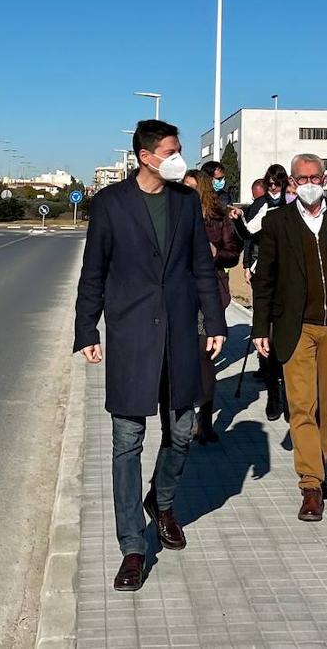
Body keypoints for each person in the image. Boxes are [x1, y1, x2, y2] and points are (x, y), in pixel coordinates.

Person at [74, 119, 228, 592]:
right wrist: (87, 329)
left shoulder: (185, 204)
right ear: (146, 156)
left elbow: (202, 266)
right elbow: (94, 271)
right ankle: (133, 548)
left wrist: (216, 323)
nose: (180, 157)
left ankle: (160, 502)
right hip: (132, 336)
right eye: (172, 150)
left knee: (181, 432)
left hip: (181, 335)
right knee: (127, 442)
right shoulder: (110, 204)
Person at [251, 154, 327, 522]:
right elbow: (266, 280)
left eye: (313, 177)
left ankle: (318, 464)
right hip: (295, 327)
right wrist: (260, 328)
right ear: (291, 181)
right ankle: (310, 485)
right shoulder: (277, 221)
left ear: (325, 178)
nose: (307, 184)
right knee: (301, 405)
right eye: (299, 178)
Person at [183, 168, 241, 443]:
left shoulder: (218, 219)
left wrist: (218, 253)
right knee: (183, 357)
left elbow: (233, 254)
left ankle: (204, 422)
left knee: (205, 356)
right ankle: (182, 416)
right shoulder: (173, 216)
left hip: (209, 295)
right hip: (178, 295)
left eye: (193, 188)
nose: (188, 193)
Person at [233, 164, 292, 419]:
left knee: (289, 338)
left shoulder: (296, 205)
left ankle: (290, 397)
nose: (274, 187)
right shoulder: (262, 206)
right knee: (265, 336)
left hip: (291, 278)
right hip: (265, 276)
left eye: (278, 182)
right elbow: (248, 233)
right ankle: (273, 394)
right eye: (270, 183)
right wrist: (237, 221)